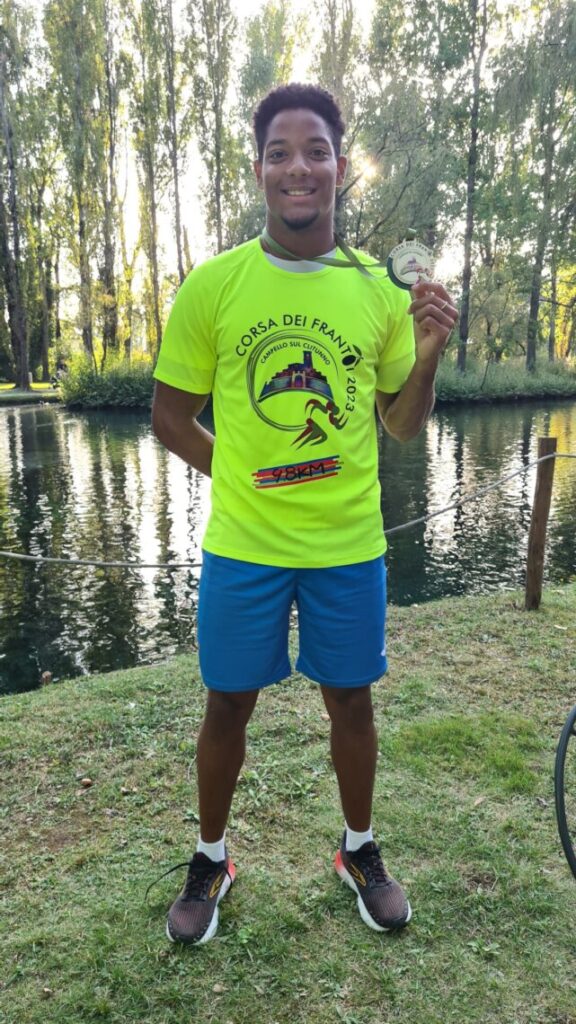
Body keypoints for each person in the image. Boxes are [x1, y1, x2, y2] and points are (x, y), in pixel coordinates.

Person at [151, 83, 457, 946]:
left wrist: (429, 354)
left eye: (316, 151)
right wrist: (246, 479)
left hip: (347, 547)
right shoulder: (214, 285)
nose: (299, 168)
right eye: (280, 152)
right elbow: (171, 419)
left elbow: (401, 425)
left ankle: (359, 850)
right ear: (258, 170)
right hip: (243, 546)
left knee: (352, 702)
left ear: (339, 168)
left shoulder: (377, 291)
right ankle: (211, 858)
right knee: (226, 705)